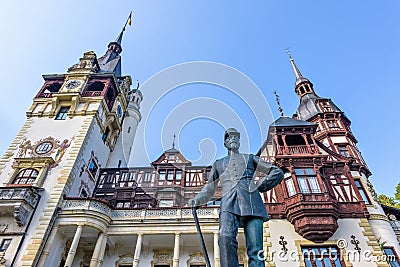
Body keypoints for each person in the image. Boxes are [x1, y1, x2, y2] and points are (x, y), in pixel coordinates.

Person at [189, 128, 284, 267]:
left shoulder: (250, 158)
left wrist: (259, 186)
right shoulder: (218, 163)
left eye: (235, 137)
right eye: (229, 137)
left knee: (256, 249)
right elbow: (210, 187)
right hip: (228, 204)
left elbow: (277, 172)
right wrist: (197, 200)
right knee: (225, 238)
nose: (233, 139)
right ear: (225, 143)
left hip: (253, 203)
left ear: (239, 141)